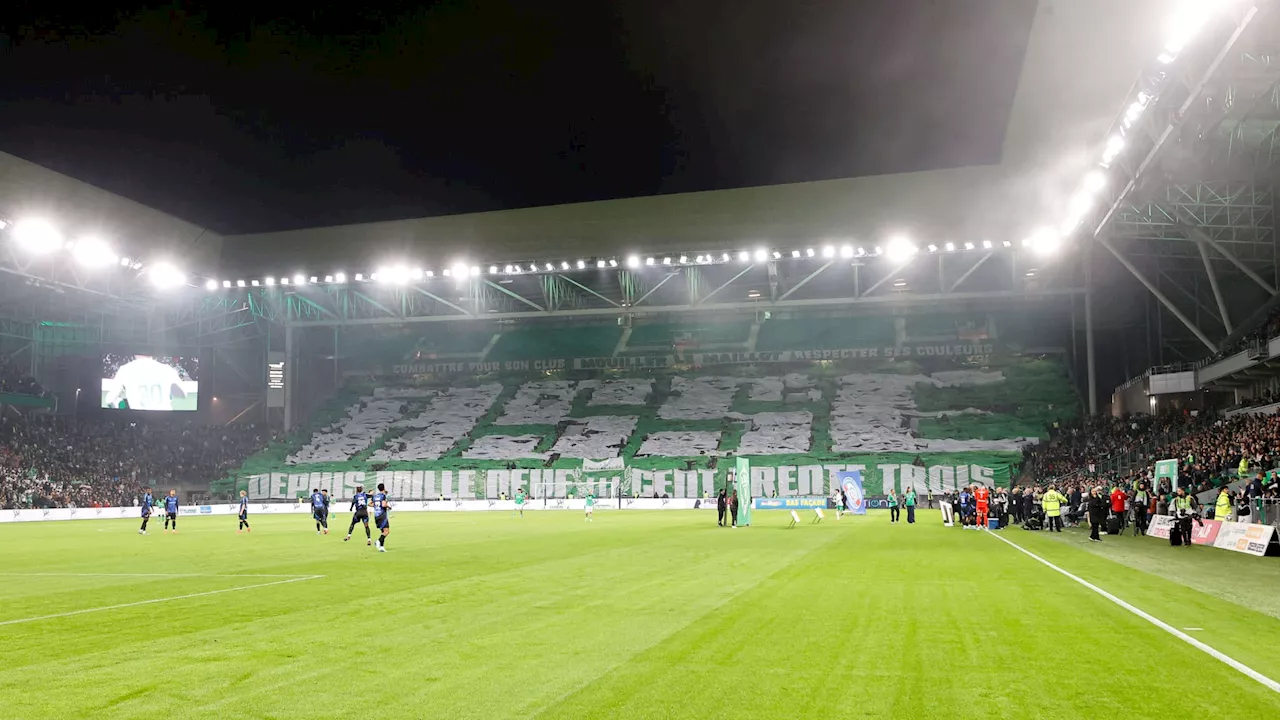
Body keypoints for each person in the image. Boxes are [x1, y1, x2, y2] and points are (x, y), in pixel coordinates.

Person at [372, 482, 390, 552]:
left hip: (376, 516)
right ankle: (378, 541)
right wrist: (389, 506)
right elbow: (383, 505)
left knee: (382, 532)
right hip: (382, 516)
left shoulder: (375, 496)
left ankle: (381, 547)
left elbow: (370, 504)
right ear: (384, 487)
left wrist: (376, 507)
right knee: (387, 531)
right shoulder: (383, 496)